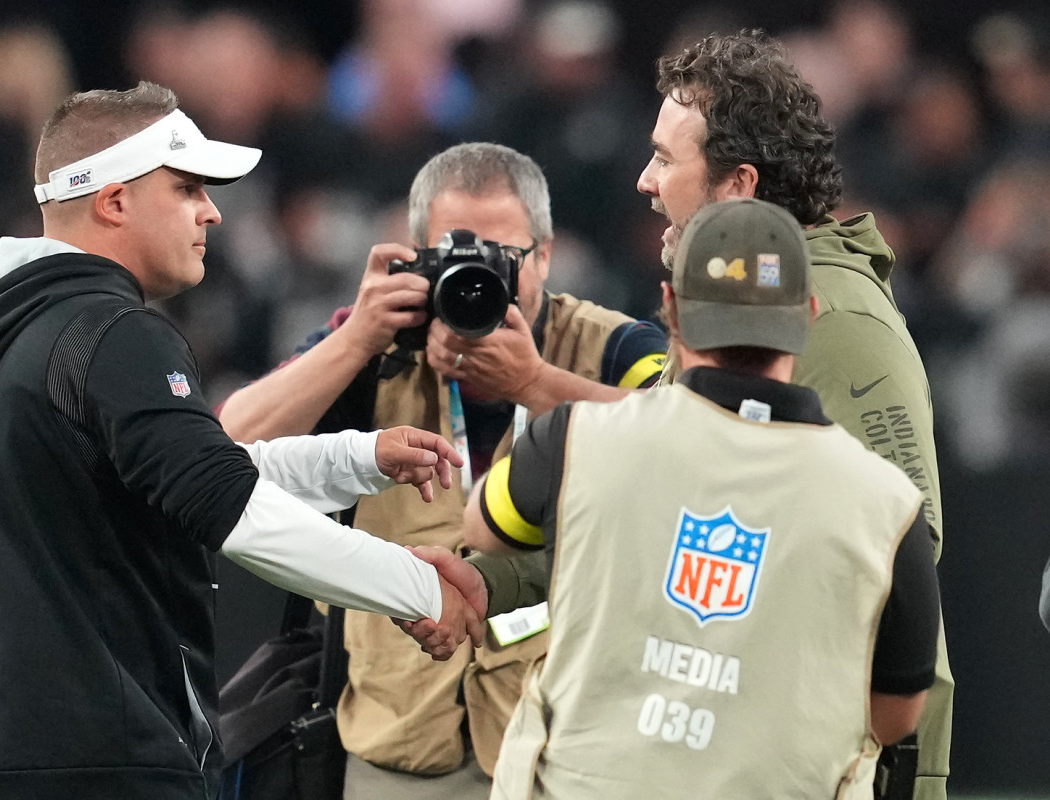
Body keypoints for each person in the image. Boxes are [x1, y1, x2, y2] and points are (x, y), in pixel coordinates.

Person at [411, 30, 950, 800]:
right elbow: (671, 516)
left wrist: (542, 390)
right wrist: (493, 592)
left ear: (737, 185)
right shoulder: (735, 315)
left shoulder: (845, 326)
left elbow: (900, 558)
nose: (644, 180)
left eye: (666, 158)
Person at [0, 81, 487, 800]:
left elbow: (176, 470)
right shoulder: (113, 331)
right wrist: (419, 589)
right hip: (104, 764)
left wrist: (354, 457)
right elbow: (230, 507)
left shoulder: (16, 329)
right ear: (114, 200)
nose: (212, 211)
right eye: (188, 187)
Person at [217, 141, 667, 797]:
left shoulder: (613, 344)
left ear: (546, 253)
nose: (478, 280)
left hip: (564, 747)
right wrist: (353, 339)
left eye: (503, 259)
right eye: (455, 256)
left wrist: (536, 383)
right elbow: (224, 446)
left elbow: (692, 443)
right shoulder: (371, 345)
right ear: (417, 256)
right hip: (398, 746)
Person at [460, 198, 940, 800]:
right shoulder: (890, 507)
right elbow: (894, 716)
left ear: (671, 311)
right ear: (810, 314)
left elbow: (481, 526)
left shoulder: (574, 438)